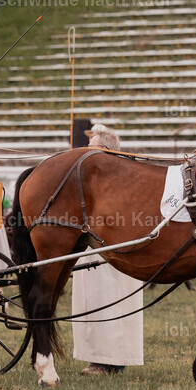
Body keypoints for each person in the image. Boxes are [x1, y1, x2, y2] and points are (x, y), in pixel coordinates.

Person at [72, 123, 145, 375]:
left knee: (111, 301)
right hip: (93, 247)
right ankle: (98, 357)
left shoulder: (122, 176)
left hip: (113, 250)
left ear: (103, 149)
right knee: (92, 300)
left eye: (90, 147)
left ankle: (110, 359)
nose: (85, 151)